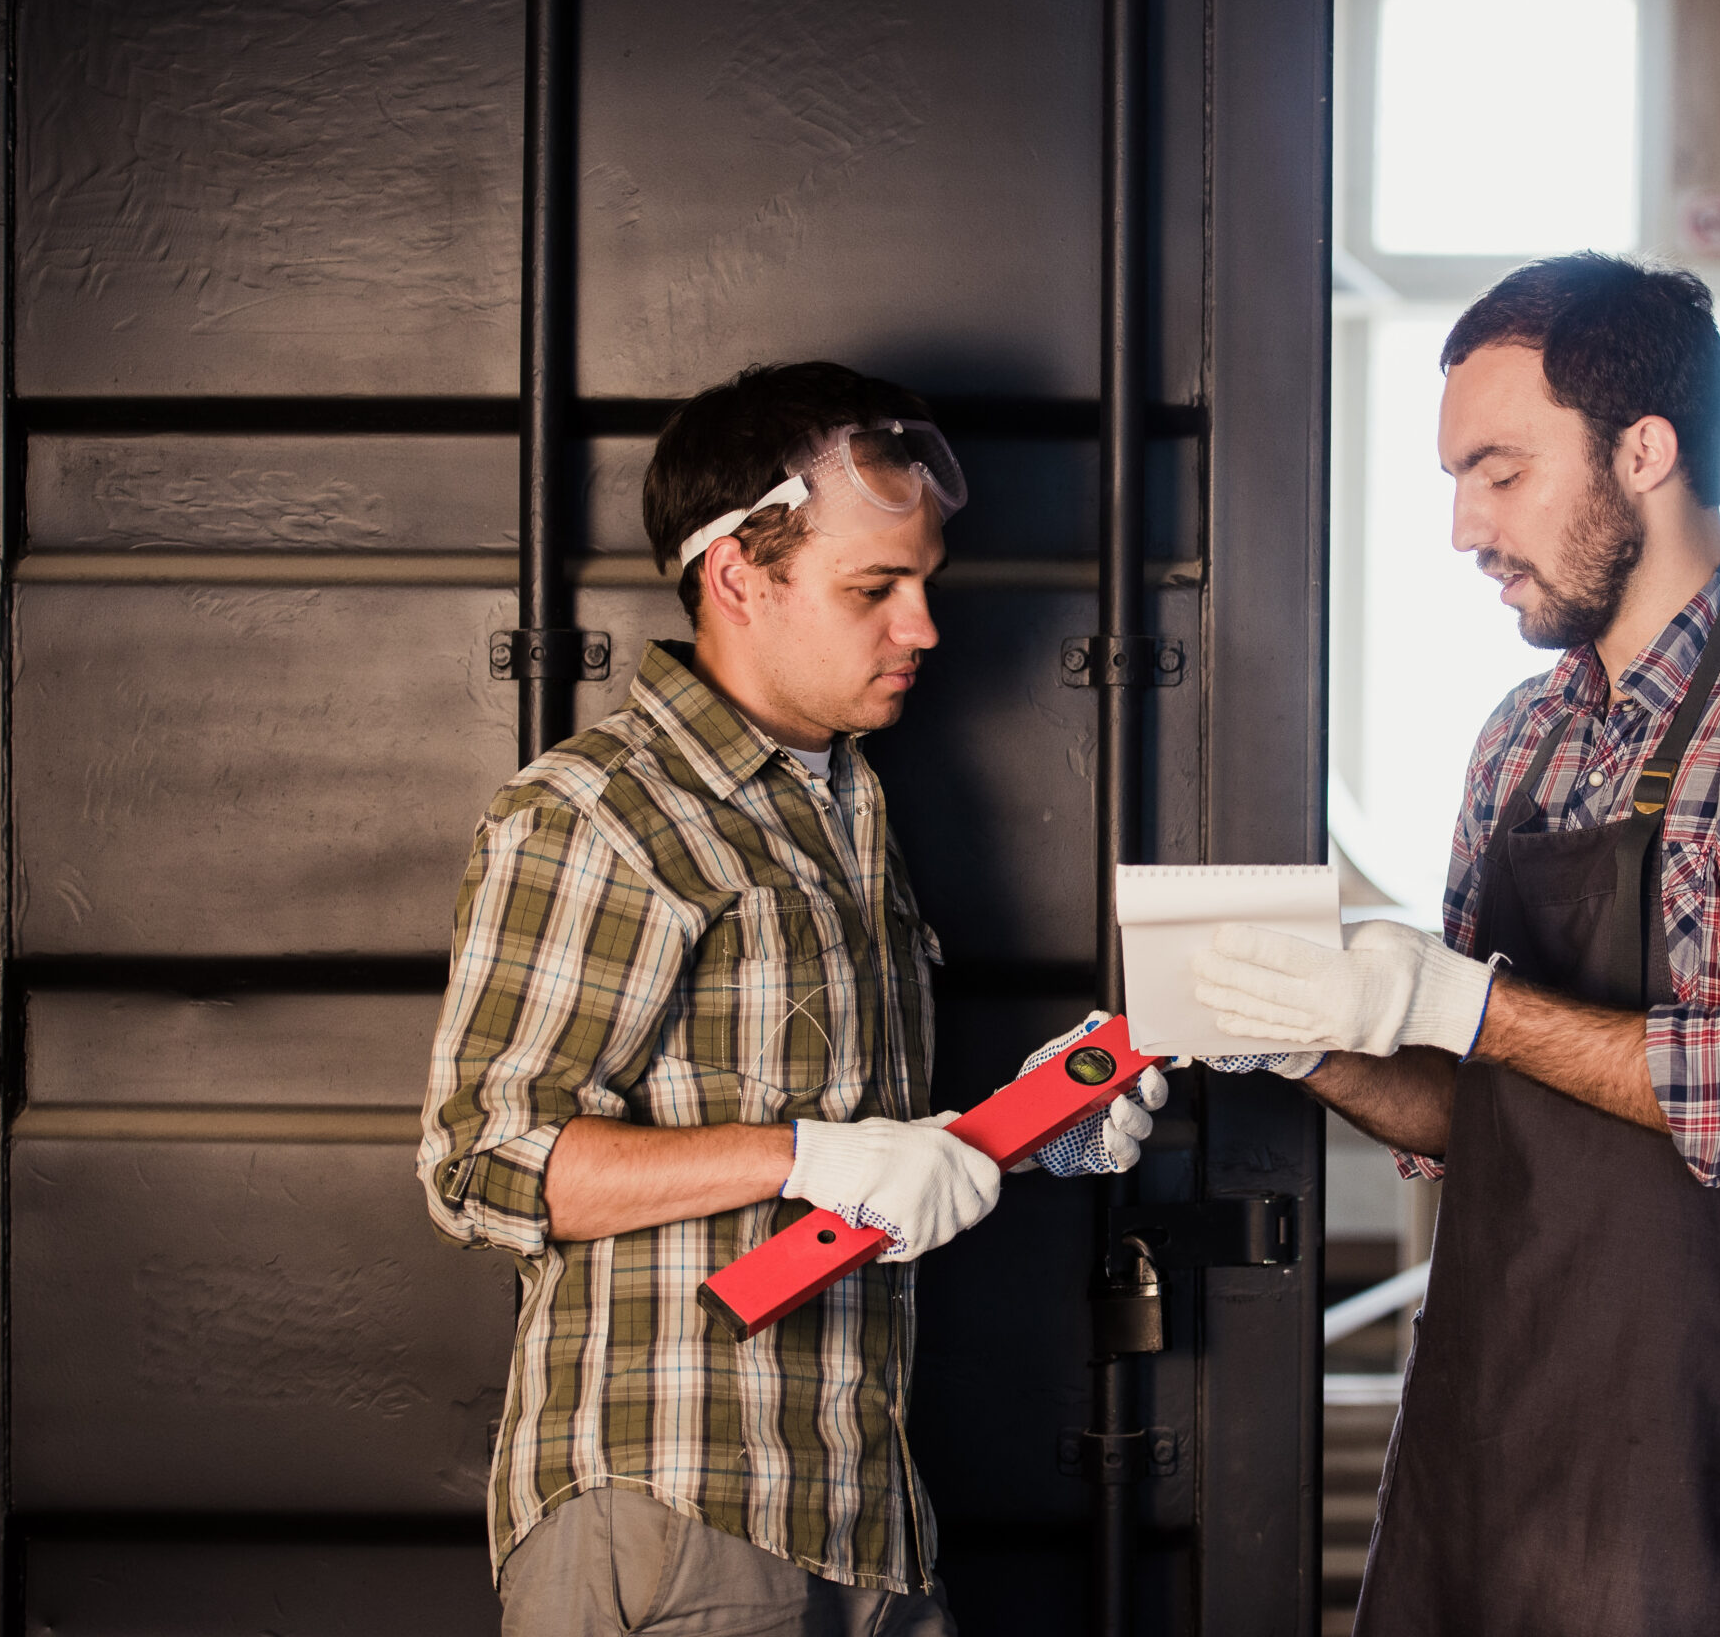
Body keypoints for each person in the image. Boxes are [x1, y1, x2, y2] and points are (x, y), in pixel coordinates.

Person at [1194, 255, 1720, 1636]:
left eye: (1499, 471)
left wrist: (1472, 1004)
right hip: (1489, 1417)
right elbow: (1476, 1112)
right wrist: (1305, 1037)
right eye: (1453, 479)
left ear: (1644, 451)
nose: (1463, 527)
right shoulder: (1523, 739)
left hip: (1702, 1450)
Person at [418, 362, 1164, 1637]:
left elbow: (865, 1164)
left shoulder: (844, 809)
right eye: (874, 589)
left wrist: (1036, 1129)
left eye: (924, 581)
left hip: (862, 1511)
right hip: (675, 1506)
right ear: (739, 578)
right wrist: (803, 1153)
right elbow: (484, 1162)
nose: (922, 626)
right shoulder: (603, 813)